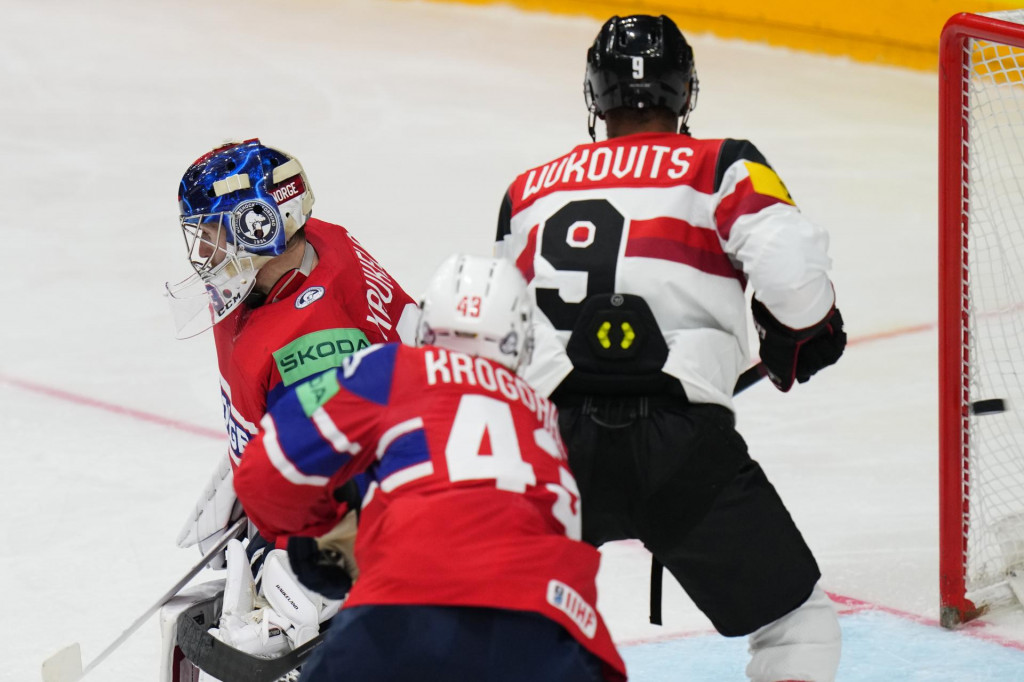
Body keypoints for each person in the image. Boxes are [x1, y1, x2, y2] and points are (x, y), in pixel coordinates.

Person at [494, 15, 846, 682]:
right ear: (685, 92)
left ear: (594, 96)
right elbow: (794, 278)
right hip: (682, 445)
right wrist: (801, 333)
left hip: (549, 449)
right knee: (795, 629)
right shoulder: (722, 161)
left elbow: (496, 329)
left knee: (508, 624)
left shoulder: (527, 189)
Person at [232, 254, 627, 681]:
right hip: (560, 636)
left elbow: (262, 475)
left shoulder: (393, 368)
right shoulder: (543, 421)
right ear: (521, 342)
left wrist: (321, 529)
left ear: (426, 326)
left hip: (407, 613)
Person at [159, 138, 418, 679]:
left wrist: (310, 564)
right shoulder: (307, 249)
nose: (203, 253)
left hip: (383, 522)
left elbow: (360, 479)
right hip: (368, 472)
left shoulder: (314, 348)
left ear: (259, 226)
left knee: (261, 639)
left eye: (211, 233)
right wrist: (253, 446)